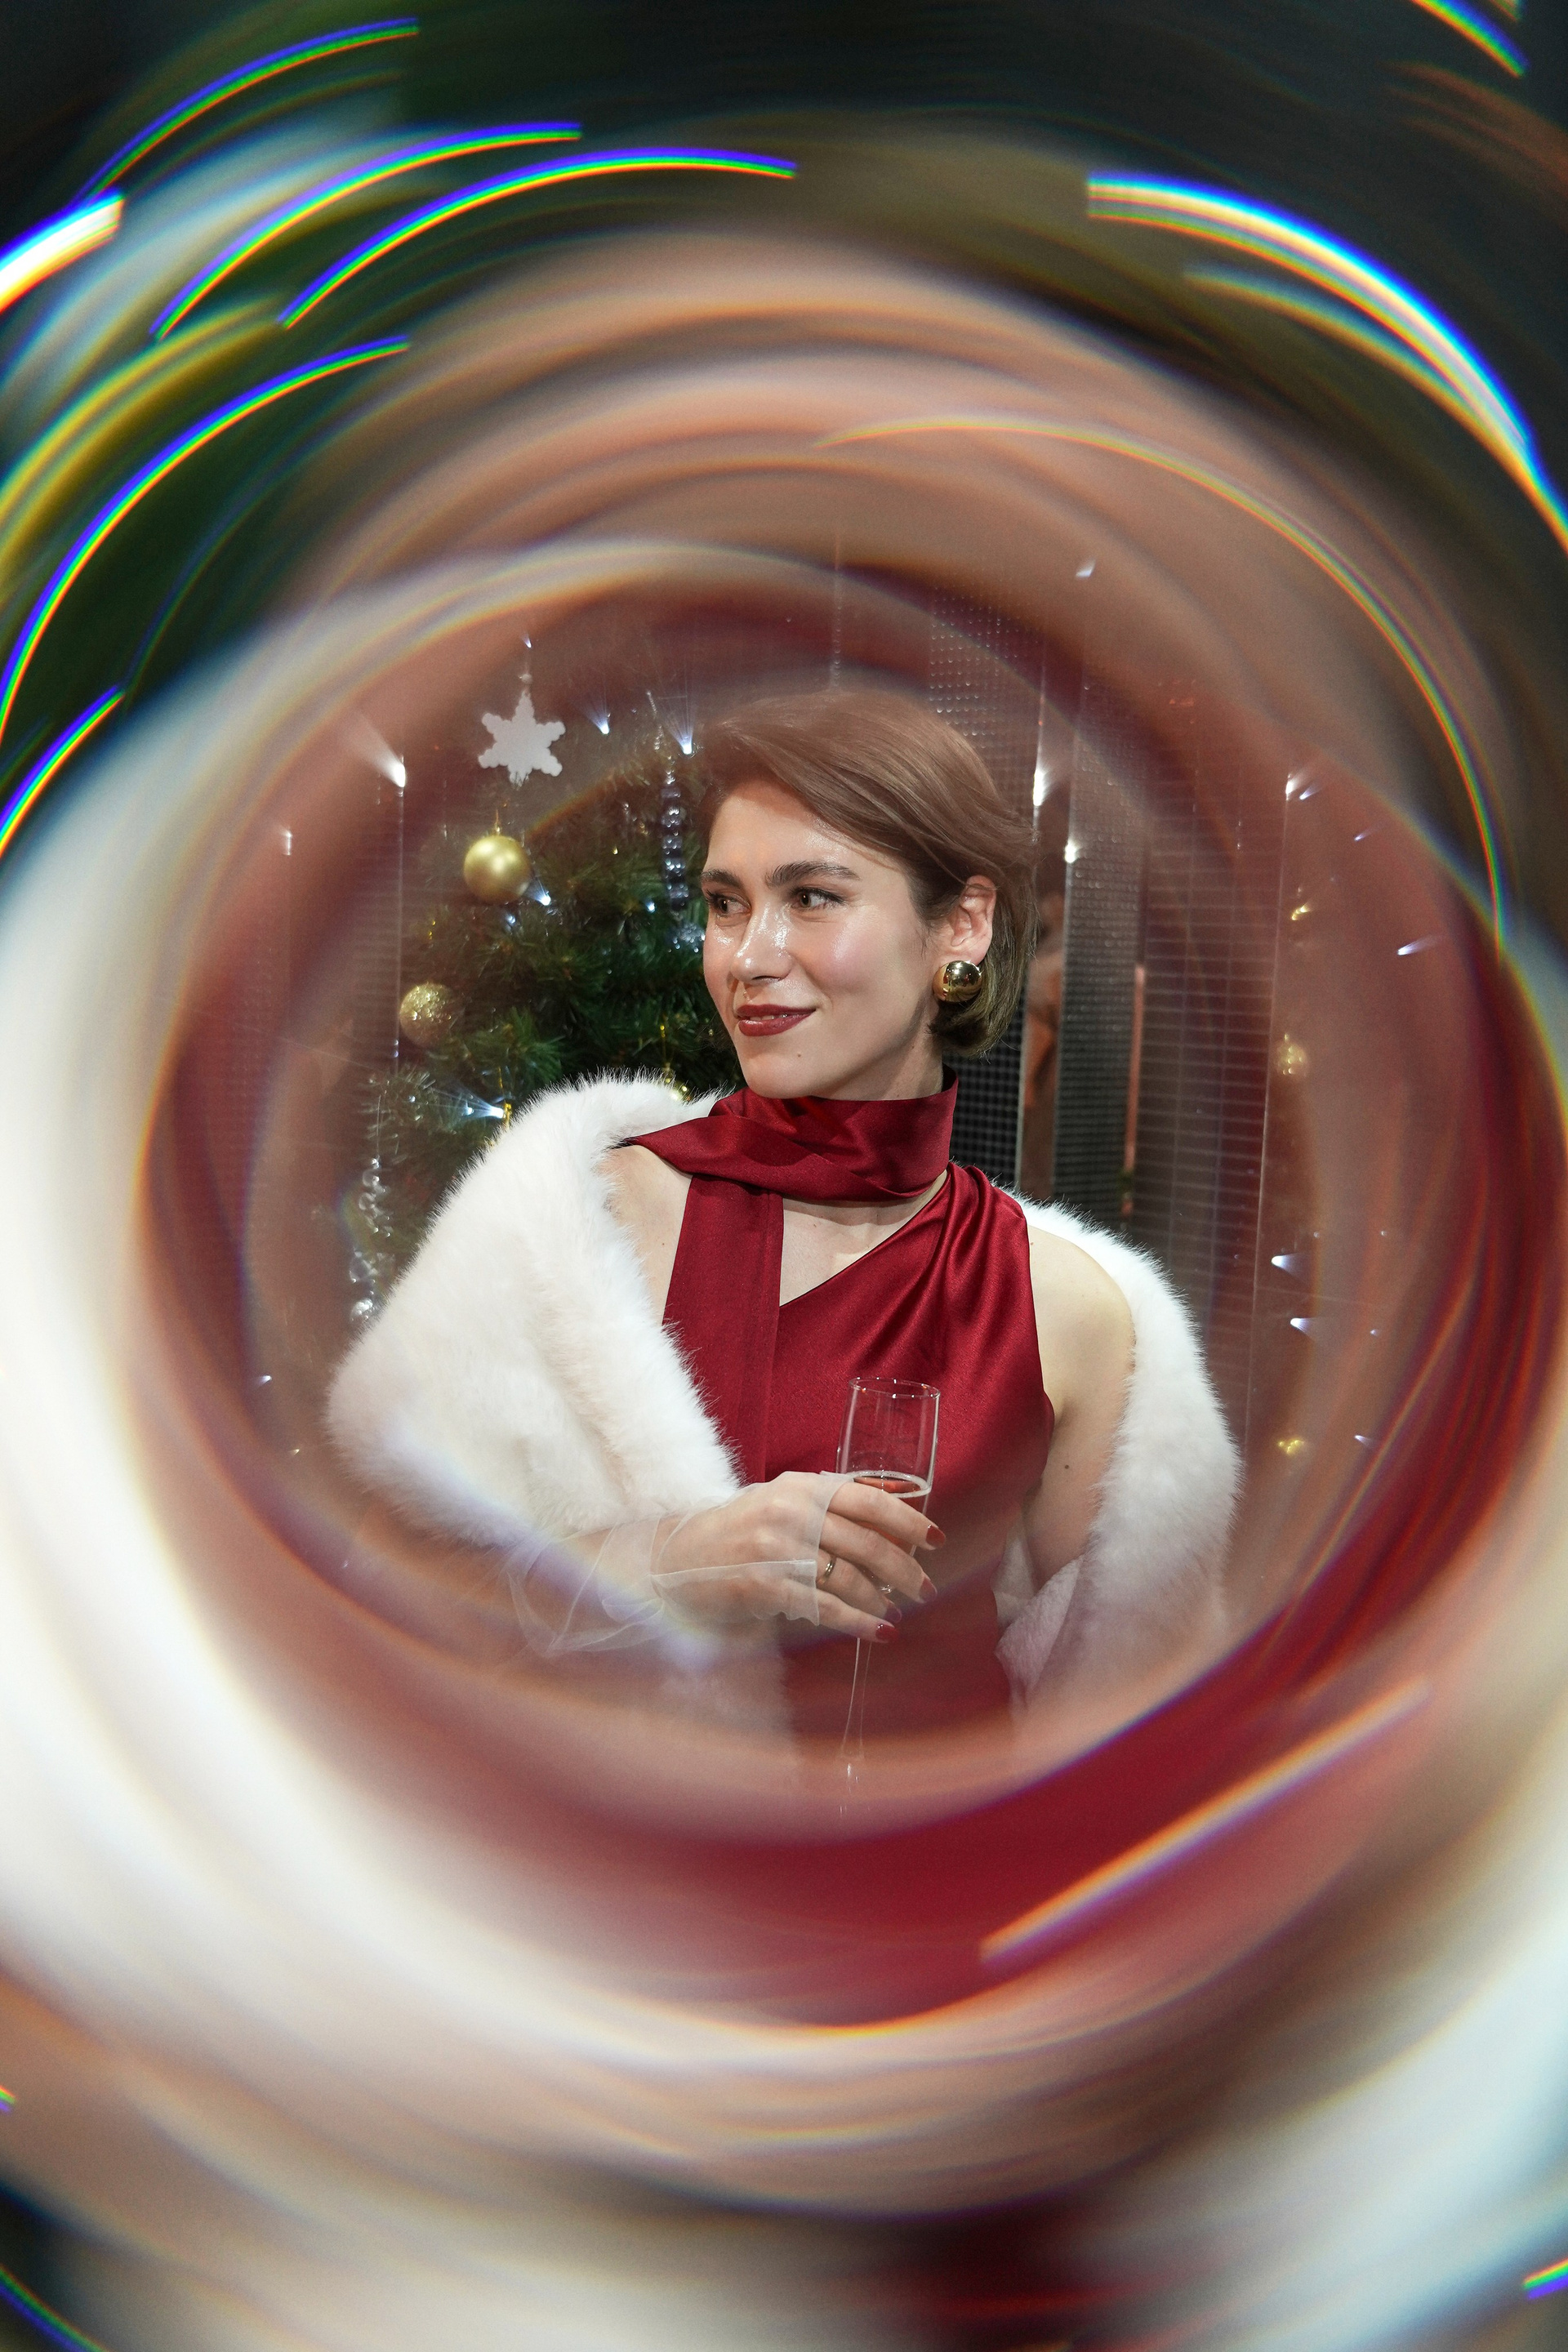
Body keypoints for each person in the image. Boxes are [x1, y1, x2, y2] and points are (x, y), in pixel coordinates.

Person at [327, 688, 1239, 1737]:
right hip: (625, 1841)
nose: (749, 956)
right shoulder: (578, 1227)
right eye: (727, 903)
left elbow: (1126, 1712)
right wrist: (670, 1559)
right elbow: (388, 1597)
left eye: (811, 897)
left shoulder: (1065, 1308)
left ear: (962, 925)